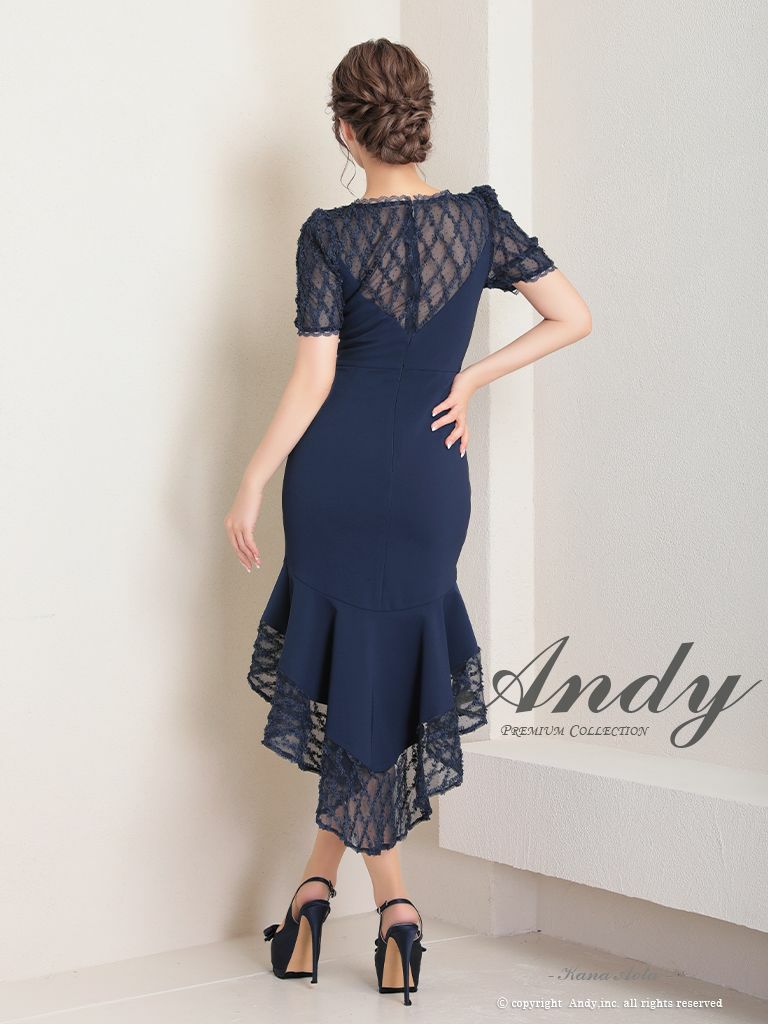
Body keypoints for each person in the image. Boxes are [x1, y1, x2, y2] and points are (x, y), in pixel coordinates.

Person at [224, 37, 591, 1003]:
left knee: (360, 676)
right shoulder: (479, 221)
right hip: (432, 476)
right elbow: (573, 316)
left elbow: (313, 380)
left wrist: (253, 477)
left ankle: (354, 905)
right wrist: (468, 379)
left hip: (333, 478)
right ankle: (363, 907)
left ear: (346, 131)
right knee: (378, 679)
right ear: (417, 120)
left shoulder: (328, 236)